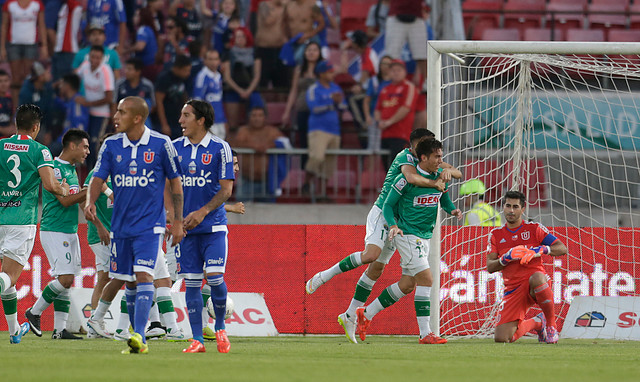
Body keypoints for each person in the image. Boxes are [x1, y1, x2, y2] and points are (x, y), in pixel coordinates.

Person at [305, 128, 462, 343]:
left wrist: (447, 174)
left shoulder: (431, 163)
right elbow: (410, 177)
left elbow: (456, 172)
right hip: (384, 213)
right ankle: (325, 275)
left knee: (386, 274)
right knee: (371, 255)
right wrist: (437, 182)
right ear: (415, 146)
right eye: (425, 146)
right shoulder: (405, 158)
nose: (430, 151)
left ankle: (354, 314)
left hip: (403, 219)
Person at [84, 96, 184, 354]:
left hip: (150, 226)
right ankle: (124, 328)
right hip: (120, 227)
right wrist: (90, 202)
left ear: (137, 118)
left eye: (121, 112)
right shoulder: (111, 146)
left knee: (144, 275)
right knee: (125, 279)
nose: (115, 117)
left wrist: (177, 218)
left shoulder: (162, 144)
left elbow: (175, 183)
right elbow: (97, 177)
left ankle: (140, 335)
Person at [355, 138, 462, 344]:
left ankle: (365, 314)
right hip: (408, 234)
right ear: (423, 157)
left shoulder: (439, 175)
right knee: (427, 279)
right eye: (437, 156)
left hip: (425, 235)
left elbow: (444, 199)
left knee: (407, 284)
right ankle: (425, 334)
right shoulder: (406, 180)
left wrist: (453, 209)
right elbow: (387, 206)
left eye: (441, 156)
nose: (441, 160)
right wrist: (393, 225)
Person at [0, 104, 69, 344]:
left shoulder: (0, 146)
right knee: (7, 276)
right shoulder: (40, 150)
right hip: (21, 221)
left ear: (16, 123)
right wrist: (65, 188)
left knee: (9, 280)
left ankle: (13, 331)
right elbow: (50, 185)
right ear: (36, 127)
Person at [170, 99, 234, 354]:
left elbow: (227, 189)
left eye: (186, 115)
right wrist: (175, 219)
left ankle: (220, 327)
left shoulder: (221, 148)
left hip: (214, 227)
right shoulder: (174, 148)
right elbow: (168, 185)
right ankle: (197, 339)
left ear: (201, 120)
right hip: (186, 230)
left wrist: (203, 211)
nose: (180, 120)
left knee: (215, 278)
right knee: (193, 284)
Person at [24, 128, 90, 340]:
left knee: (68, 279)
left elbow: (76, 199)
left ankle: (60, 330)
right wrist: (92, 190)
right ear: (72, 145)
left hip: (69, 229)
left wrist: (90, 213)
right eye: (85, 146)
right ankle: (34, 312)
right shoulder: (55, 168)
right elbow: (64, 200)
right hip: (54, 229)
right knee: (65, 277)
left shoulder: (71, 169)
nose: (87, 151)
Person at [487, 190, 567, 344]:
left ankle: (551, 326)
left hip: (534, 283)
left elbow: (562, 248)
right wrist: (505, 259)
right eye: (508, 206)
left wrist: (542, 249)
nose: (511, 210)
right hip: (513, 289)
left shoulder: (534, 229)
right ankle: (538, 322)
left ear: (522, 209)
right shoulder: (495, 234)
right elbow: (490, 267)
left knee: (537, 276)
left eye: (515, 207)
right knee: (502, 338)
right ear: (503, 207)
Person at [82, 133, 114, 338]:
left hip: (116, 234)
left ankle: (95, 324)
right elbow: (86, 204)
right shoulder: (96, 173)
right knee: (106, 277)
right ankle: (97, 321)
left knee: (104, 278)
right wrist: (101, 227)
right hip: (101, 234)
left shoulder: (120, 172)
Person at [302, 60, 345, 199]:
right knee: (317, 157)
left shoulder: (336, 88)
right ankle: (306, 183)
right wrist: (331, 102)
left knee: (330, 162)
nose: (332, 74)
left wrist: (338, 103)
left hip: (334, 130)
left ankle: (323, 192)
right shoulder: (314, 89)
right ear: (321, 73)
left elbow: (343, 106)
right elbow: (314, 108)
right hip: (318, 129)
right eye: (329, 71)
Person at [230, 106, 285, 202]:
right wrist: (254, 146)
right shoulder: (244, 130)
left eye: (260, 115)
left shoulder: (272, 131)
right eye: (254, 115)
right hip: (247, 180)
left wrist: (269, 145)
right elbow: (236, 144)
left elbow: (284, 143)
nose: (257, 118)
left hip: (267, 181)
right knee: (241, 212)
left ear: (265, 118)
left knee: (268, 213)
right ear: (249, 117)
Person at [0, 0, 48, 106]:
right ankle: (15, 109)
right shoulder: (9, 4)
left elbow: (41, 25)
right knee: (15, 79)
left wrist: (44, 45)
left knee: (28, 77)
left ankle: (26, 107)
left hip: (31, 44)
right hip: (13, 44)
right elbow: (4, 26)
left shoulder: (37, 4)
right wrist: (2, 47)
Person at [75, 44, 115, 168]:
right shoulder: (85, 67)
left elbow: (109, 97)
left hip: (100, 113)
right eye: (93, 57)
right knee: (82, 142)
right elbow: (74, 78)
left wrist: (88, 103)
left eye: (98, 58)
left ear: (102, 58)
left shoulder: (106, 71)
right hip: (86, 113)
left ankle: (96, 172)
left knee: (94, 143)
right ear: (89, 57)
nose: (95, 60)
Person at [375, 59, 417, 171]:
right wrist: (379, 122)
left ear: (404, 72)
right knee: (387, 168)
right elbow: (378, 109)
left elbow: (406, 108)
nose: (396, 72)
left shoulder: (408, 87)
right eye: (393, 70)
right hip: (385, 134)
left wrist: (389, 122)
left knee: (398, 168)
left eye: (399, 70)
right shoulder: (385, 89)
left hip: (400, 134)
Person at [221, 26, 263, 130]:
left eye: (242, 36)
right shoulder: (228, 53)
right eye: (237, 37)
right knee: (232, 125)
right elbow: (227, 77)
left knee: (258, 107)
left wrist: (248, 91)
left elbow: (257, 76)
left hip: (251, 89)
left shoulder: (255, 53)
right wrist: (240, 91)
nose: (239, 39)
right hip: (233, 89)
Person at [282, 41, 322, 151]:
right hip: (302, 108)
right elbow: (294, 90)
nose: (311, 53)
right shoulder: (299, 70)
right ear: (304, 53)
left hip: (318, 110)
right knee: (304, 140)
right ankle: (304, 167)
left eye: (314, 50)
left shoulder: (322, 69)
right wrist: (287, 111)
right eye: (309, 50)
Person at [385, 0, 427, 91]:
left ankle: (427, 84)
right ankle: (389, 84)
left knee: (423, 55)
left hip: (417, 16)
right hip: (395, 15)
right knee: (391, 55)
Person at [154, 54, 192, 139]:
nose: (188, 73)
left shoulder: (182, 79)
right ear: (178, 68)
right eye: (186, 70)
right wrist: (164, 124)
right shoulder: (164, 78)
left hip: (178, 119)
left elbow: (184, 96)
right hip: (166, 119)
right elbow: (159, 102)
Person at [255, 0, 290, 89]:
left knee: (283, 83)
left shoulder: (285, 7)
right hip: (264, 49)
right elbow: (268, 21)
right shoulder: (264, 5)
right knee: (262, 82)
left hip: (280, 50)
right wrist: (284, 9)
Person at [193, 49, 227, 139]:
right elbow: (197, 100)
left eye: (215, 59)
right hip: (208, 120)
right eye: (210, 59)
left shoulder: (219, 76)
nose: (213, 62)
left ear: (219, 61)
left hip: (219, 118)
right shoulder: (202, 76)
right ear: (205, 61)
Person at [19, 62, 54, 146]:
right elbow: (23, 114)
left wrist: (49, 132)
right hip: (28, 127)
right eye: (47, 72)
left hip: (43, 125)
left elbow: (49, 111)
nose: (49, 74)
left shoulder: (47, 88)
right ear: (40, 76)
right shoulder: (26, 92)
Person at [115, 58, 155, 128]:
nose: (126, 71)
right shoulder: (120, 84)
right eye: (126, 69)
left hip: (143, 122)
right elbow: (114, 104)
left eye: (129, 69)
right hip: (123, 121)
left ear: (138, 71)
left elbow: (153, 106)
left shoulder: (147, 85)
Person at [363, 55, 392, 151]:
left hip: (390, 119)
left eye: (388, 64)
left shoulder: (395, 82)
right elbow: (366, 100)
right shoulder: (374, 81)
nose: (385, 66)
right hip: (374, 118)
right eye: (383, 64)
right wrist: (367, 116)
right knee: (372, 148)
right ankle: (371, 166)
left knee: (386, 148)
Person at [53, 73, 89, 149]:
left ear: (67, 86)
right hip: (63, 140)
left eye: (62, 84)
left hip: (70, 144)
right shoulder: (70, 101)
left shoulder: (78, 103)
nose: (60, 87)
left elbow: (80, 127)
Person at [282, 0, 324, 65]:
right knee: (288, 65)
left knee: (300, 61)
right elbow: (284, 22)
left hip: (308, 40)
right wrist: (285, 37)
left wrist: (309, 34)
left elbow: (321, 24)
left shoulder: (313, 5)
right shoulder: (288, 5)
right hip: (293, 41)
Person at [51, 0, 83, 81]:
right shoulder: (64, 6)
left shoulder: (74, 6)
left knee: (64, 83)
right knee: (56, 82)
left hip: (68, 51)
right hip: (59, 50)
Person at [0, 69, 14, 137]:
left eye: (6, 81)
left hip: (6, 139)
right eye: (0, 81)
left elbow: (10, 117)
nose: (3, 84)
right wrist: (2, 129)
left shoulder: (9, 99)